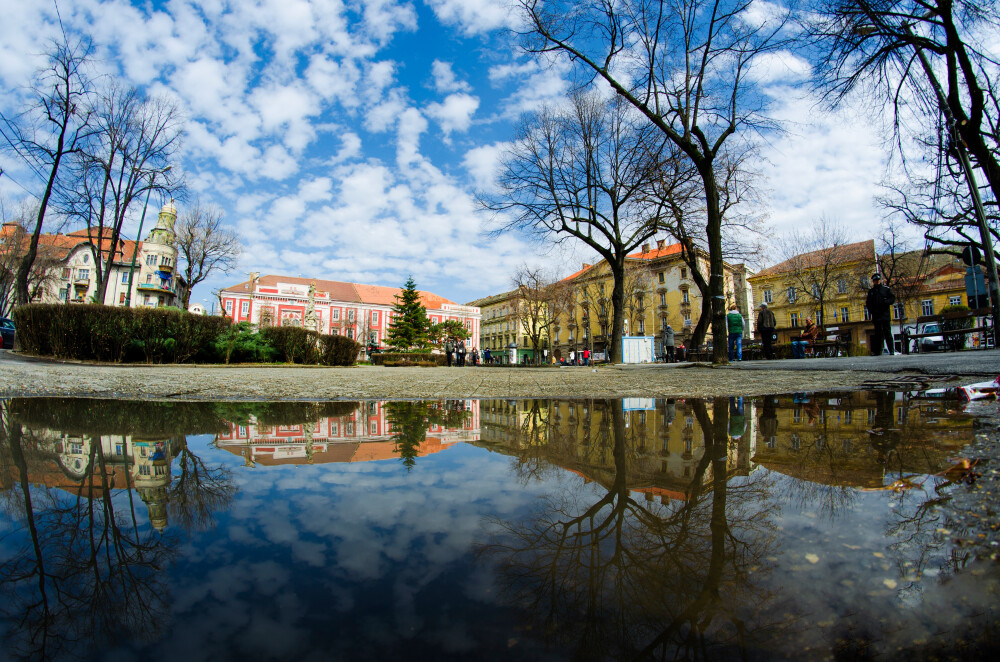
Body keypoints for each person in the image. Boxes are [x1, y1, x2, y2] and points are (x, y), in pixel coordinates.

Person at [865, 272, 896, 355]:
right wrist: (871, 311)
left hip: (885, 315)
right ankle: (877, 351)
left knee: (887, 333)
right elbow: (868, 303)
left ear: (880, 280)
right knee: (877, 334)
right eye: (875, 280)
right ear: (873, 281)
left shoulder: (886, 289)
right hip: (876, 316)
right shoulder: (871, 292)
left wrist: (886, 302)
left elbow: (892, 298)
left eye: (878, 280)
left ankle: (891, 350)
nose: (877, 282)